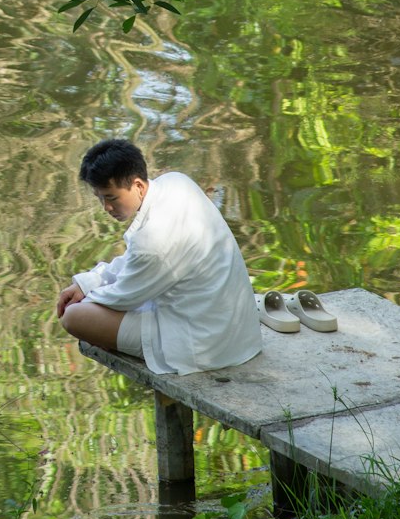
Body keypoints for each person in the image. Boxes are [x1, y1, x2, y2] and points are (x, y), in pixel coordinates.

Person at [56, 139, 261, 376]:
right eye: (99, 198)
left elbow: (122, 297)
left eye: (111, 198)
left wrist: (92, 318)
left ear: (138, 186)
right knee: (92, 304)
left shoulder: (153, 241)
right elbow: (137, 262)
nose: (106, 208)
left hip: (206, 345)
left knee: (74, 316)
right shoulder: (177, 182)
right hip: (236, 332)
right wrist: (88, 282)